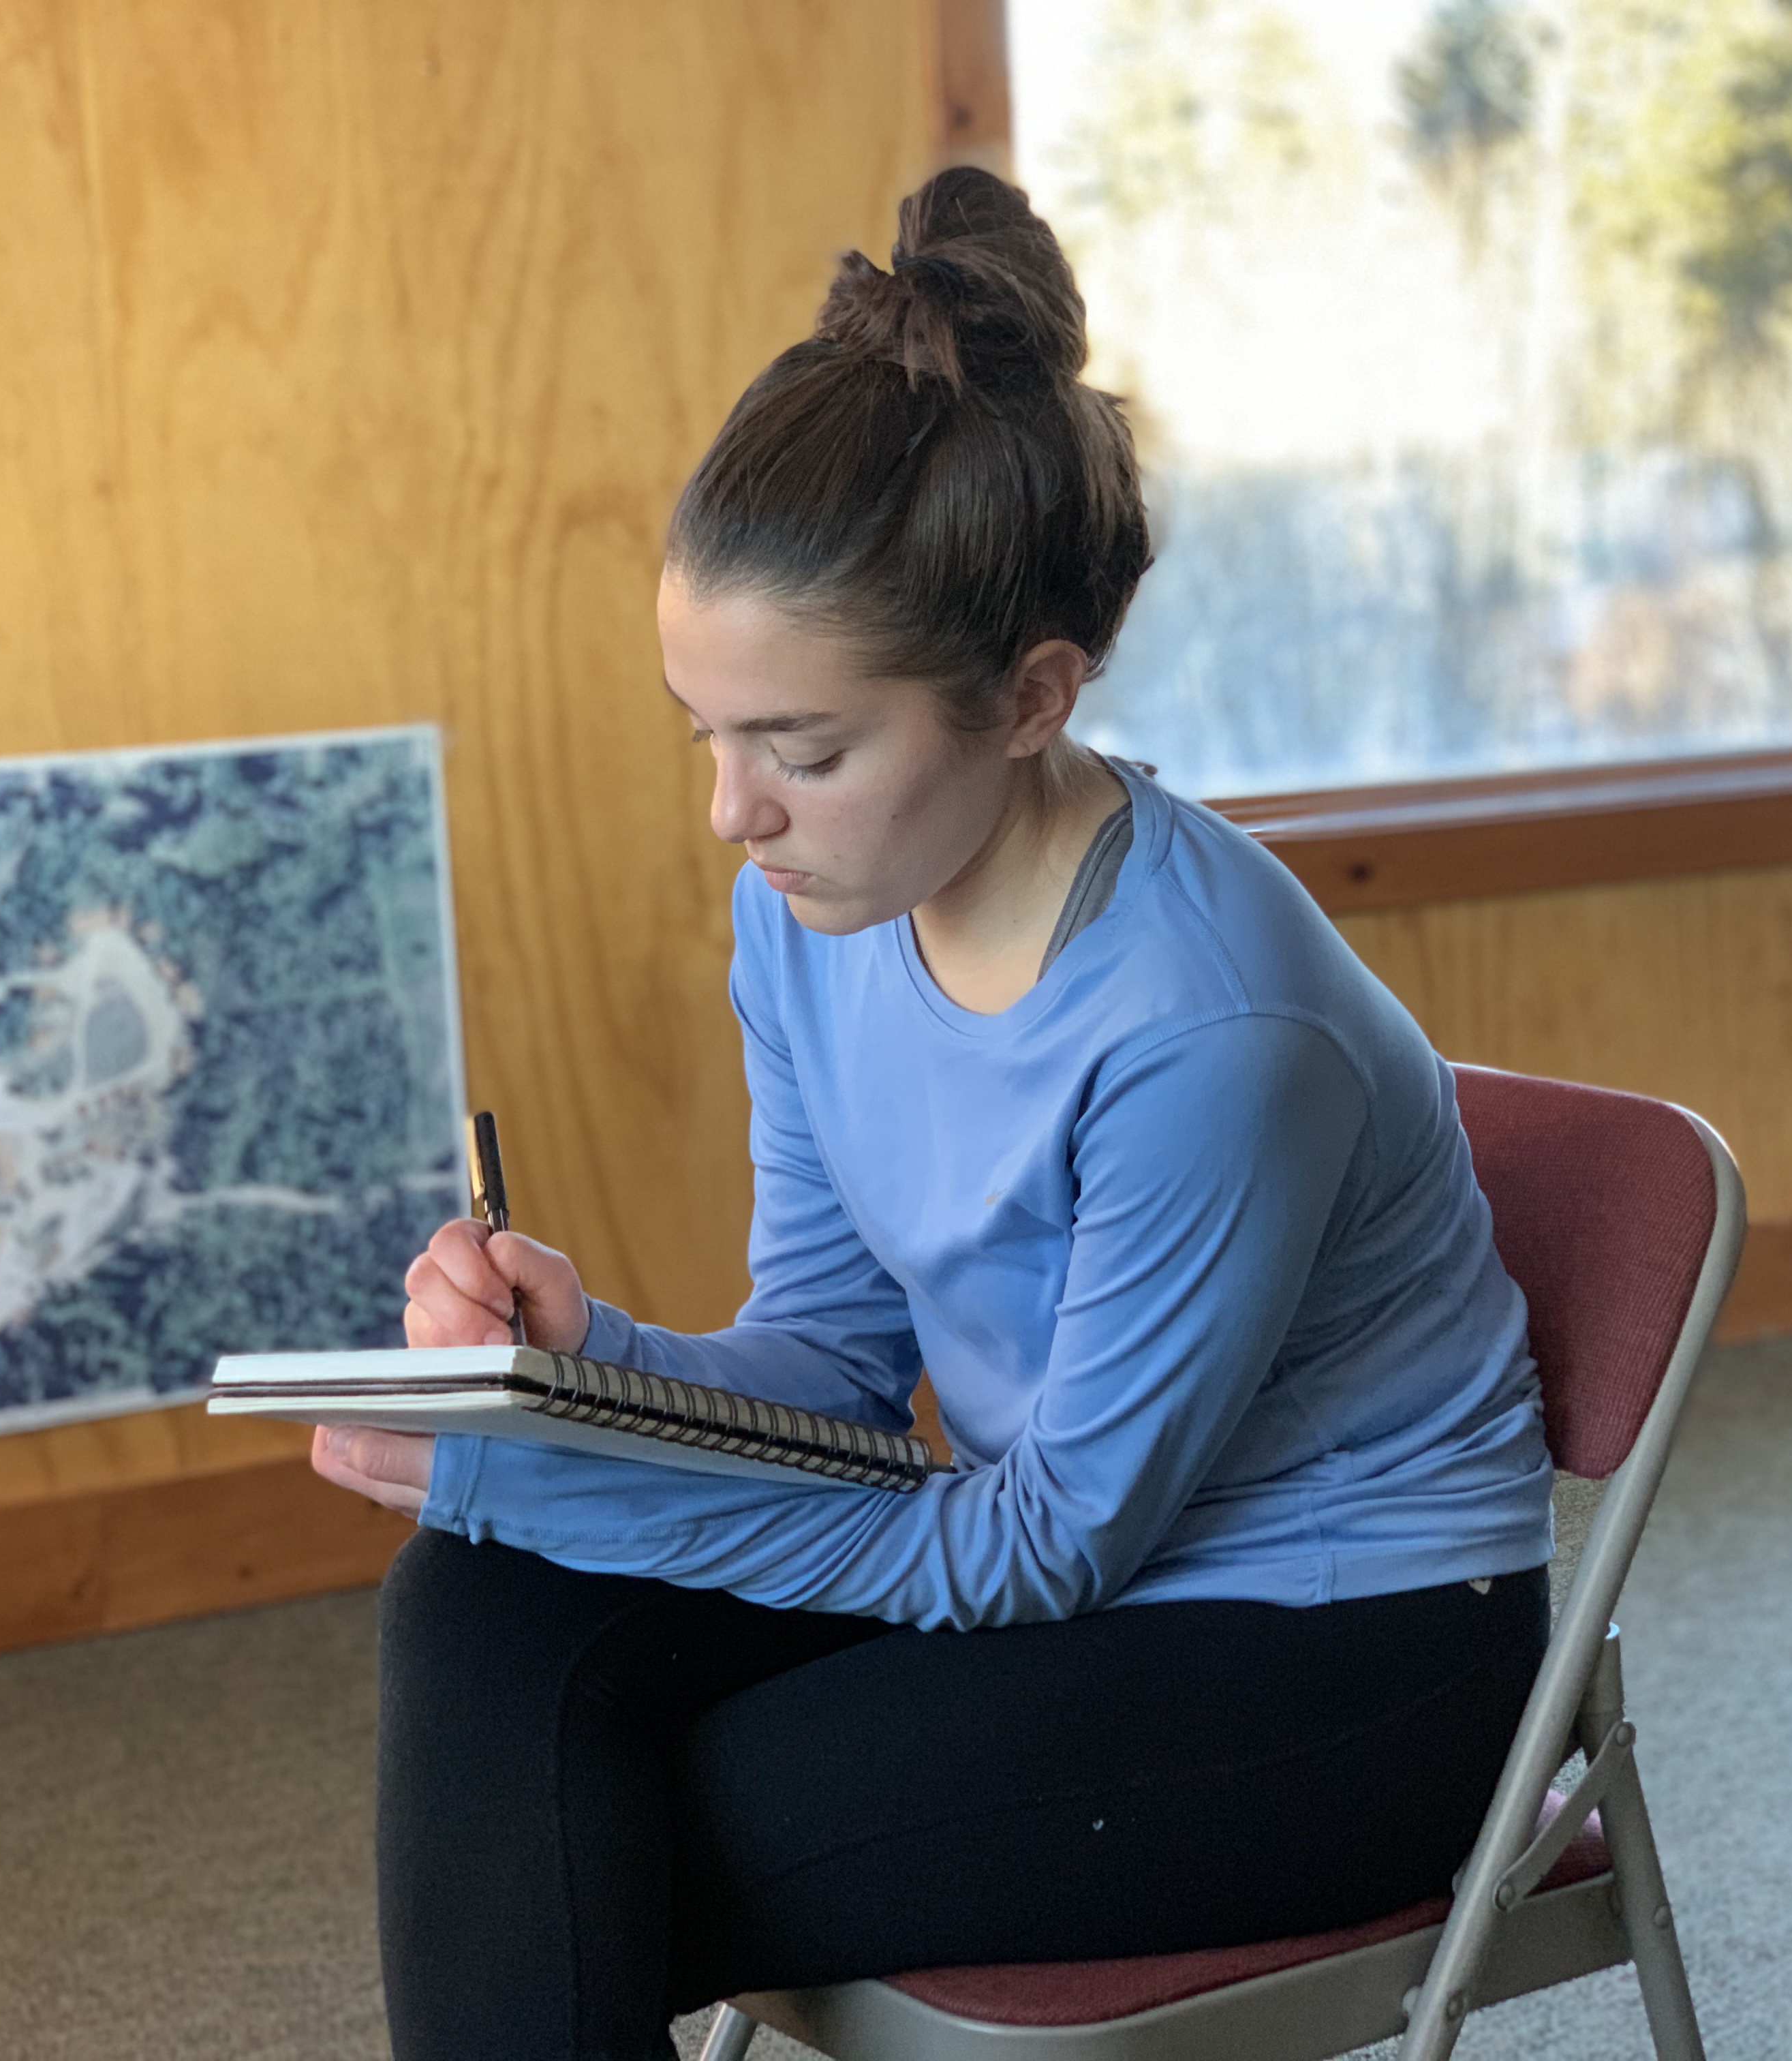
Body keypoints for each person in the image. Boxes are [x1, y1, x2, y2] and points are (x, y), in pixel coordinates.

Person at [310, 167, 1555, 2061]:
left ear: (1031, 696)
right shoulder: (808, 914)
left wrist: (584, 1472)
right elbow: (830, 1358)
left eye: (802, 751)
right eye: (705, 734)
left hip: (1339, 1656)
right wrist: (585, 1376)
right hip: (1042, 1554)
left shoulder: (1209, 1027)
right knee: (484, 1611)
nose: (733, 813)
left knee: (588, 1836)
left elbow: (1048, 1544)